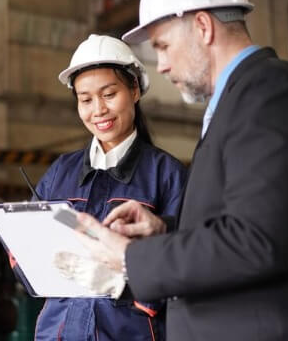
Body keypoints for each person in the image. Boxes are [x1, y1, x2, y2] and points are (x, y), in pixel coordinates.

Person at [61, 0, 288, 340]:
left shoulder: (273, 94)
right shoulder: (237, 103)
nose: (162, 65)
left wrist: (129, 257)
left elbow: (255, 242)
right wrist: (163, 229)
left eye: (163, 46)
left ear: (203, 27)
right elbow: (246, 221)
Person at [27, 34, 186, 340]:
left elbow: (184, 265)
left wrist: (121, 284)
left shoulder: (167, 175)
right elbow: (24, 250)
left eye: (109, 94)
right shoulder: (60, 173)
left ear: (134, 90)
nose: (98, 109)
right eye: (86, 100)